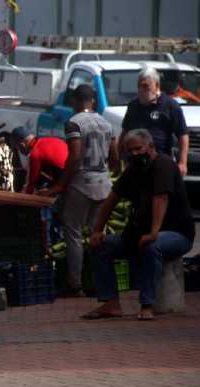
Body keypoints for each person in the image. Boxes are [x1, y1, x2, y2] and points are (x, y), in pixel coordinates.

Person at [83, 129, 194, 320]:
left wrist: (153, 232)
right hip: (139, 233)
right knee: (101, 247)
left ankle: (147, 304)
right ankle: (110, 303)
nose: (134, 154)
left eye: (138, 149)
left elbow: (161, 199)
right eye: (130, 150)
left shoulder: (164, 165)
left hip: (176, 234)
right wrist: (97, 231)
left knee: (153, 246)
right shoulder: (133, 170)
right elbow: (111, 199)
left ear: (150, 147)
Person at [40, 85, 118, 296]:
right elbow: (115, 156)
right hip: (103, 183)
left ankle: (74, 284)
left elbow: (74, 156)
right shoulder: (106, 123)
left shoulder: (74, 123)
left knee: (73, 232)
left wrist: (59, 185)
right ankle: (99, 281)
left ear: (75, 101)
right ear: (93, 101)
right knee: (97, 233)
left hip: (81, 183)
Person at [120, 67, 189, 176]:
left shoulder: (170, 106)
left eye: (146, 86)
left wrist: (183, 162)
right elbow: (125, 132)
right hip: (135, 161)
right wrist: (121, 156)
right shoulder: (133, 106)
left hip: (160, 161)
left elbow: (182, 135)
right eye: (139, 86)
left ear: (157, 86)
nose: (141, 89)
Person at [9, 126, 68, 194]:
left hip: (67, 182)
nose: (20, 152)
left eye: (18, 149)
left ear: (22, 145)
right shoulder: (52, 140)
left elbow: (30, 185)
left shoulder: (35, 154)